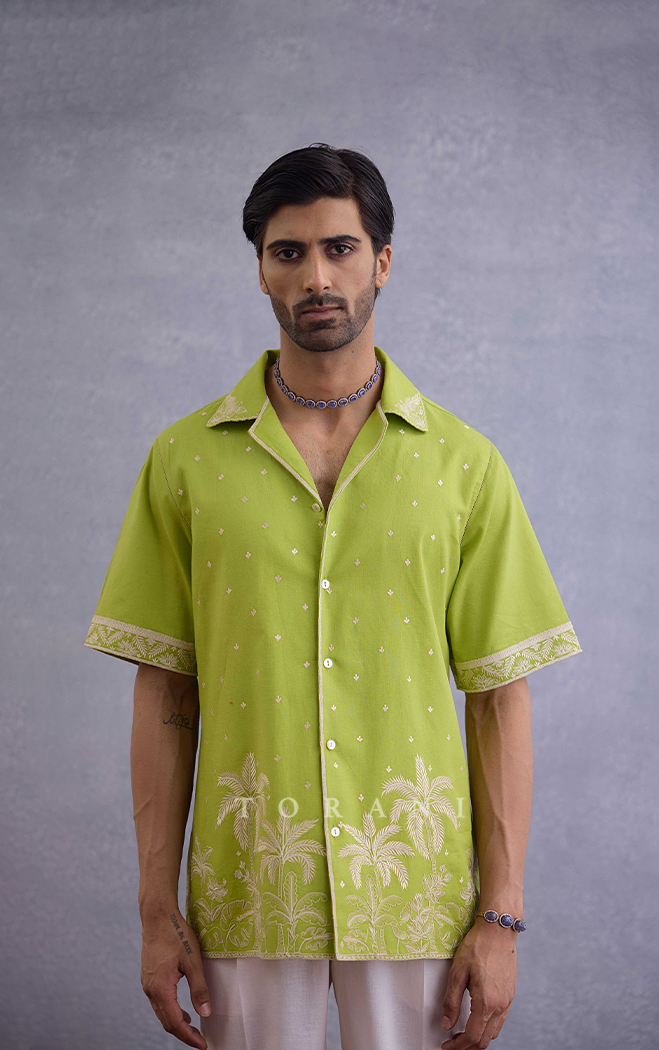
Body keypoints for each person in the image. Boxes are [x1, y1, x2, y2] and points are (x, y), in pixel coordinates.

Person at [84, 143, 582, 1050]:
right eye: (289, 252)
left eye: (340, 248)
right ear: (261, 270)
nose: (316, 276)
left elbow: (499, 695)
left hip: (417, 899)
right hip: (247, 890)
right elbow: (164, 692)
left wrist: (501, 916)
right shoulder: (183, 462)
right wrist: (156, 912)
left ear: (382, 261)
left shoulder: (465, 467)